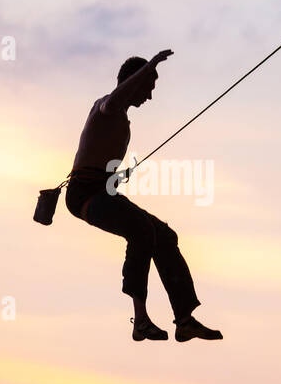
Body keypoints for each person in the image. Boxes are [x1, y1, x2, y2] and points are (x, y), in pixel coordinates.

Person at [66, 50, 223, 342]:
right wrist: (150, 65)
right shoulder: (108, 107)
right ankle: (140, 320)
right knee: (141, 230)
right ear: (135, 82)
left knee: (164, 235)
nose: (150, 96)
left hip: (101, 191)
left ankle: (185, 319)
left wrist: (115, 177)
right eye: (148, 87)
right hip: (83, 195)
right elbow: (115, 97)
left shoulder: (121, 119)